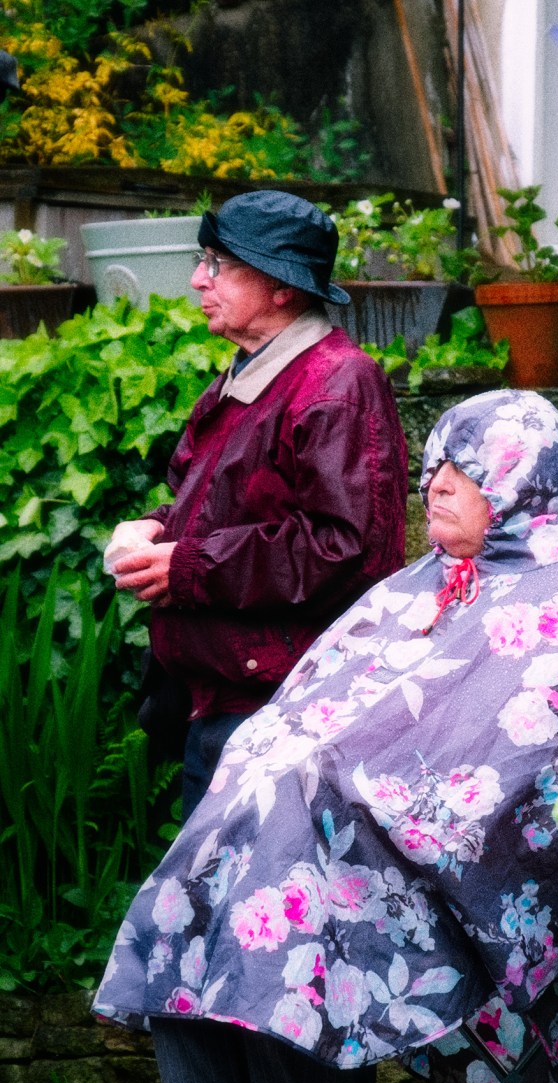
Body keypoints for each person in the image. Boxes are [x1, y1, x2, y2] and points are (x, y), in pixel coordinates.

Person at [94, 390, 558, 1083]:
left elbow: (522, 780)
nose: (436, 484)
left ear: (522, 478)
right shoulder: (431, 578)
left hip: (459, 883)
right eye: (435, 465)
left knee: (278, 956)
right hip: (314, 847)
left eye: (464, 469)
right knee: (180, 947)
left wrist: (334, 788)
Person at [107, 190, 408, 822]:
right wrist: (151, 529)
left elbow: (342, 548)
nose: (198, 280)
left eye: (218, 264)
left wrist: (188, 566)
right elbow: (211, 506)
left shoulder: (337, 384)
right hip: (224, 700)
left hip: (282, 712)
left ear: (282, 287)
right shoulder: (249, 375)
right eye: (202, 261)